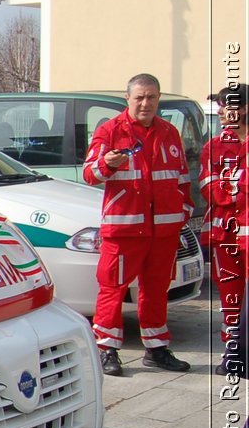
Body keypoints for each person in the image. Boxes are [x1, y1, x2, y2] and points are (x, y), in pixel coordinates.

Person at [82, 73, 193, 375]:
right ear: (128, 98)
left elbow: (182, 179)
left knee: (156, 290)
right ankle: (106, 349)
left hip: (163, 233)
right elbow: (89, 173)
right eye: (140, 97)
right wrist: (107, 164)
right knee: (112, 290)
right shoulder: (110, 131)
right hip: (125, 230)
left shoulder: (169, 132)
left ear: (158, 99)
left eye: (152, 97)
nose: (146, 103)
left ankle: (156, 349)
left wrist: (183, 210)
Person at [199, 84, 246, 346]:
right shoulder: (213, 148)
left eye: (225, 107)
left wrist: (232, 183)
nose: (220, 113)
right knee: (230, 296)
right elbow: (211, 190)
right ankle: (233, 351)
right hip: (225, 235)